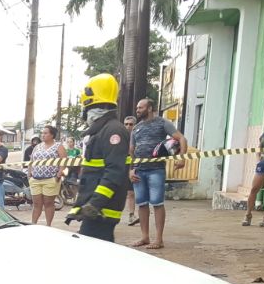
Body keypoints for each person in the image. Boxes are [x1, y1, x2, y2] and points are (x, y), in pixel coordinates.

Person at [64, 73, 130, 243]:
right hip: (96, 210)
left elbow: (114, 173)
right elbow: (93, 174)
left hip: (102, 211)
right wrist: (81, 206)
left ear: (90, 107)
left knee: (94, 258)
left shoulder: (113, 131)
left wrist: (95, 203)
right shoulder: (103, 130)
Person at [128, 98, 187, 250]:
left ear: (149, 108)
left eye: (140, 107)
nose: (137, 110)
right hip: (139, 170)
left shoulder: (162, 123)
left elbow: (181, 138)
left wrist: (181, 158)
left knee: (157, 203)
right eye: (137, 107)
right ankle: (144, 237)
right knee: (141, 203)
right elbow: (132, 151)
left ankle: (159, 239)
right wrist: (131, 169)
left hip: (156, 170)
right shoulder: (136, 129)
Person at [27, 125, 66, 226]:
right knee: (36, 204)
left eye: (45, 133)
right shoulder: (37, 146)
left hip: (50, 179)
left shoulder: (58, 146)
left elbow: (64, 161)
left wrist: (59, 173)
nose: (43, 135)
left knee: (48, 203)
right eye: (42, 133)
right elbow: (32, 161)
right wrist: (29, 174)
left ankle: (48, 225)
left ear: (52, 135)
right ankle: (33, 224)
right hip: (35, 179)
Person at [121, 115, 138, 225]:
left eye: (131, 124)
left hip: (133, 166)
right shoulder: (119, 136)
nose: (128, 126)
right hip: (120, 166)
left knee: (131, 192)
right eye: (126, 124)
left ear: (135, 125)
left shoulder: (138, 135)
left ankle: (132, 216)